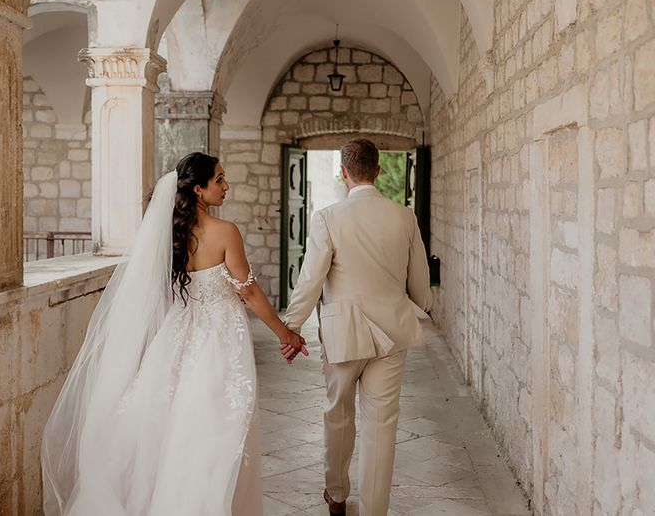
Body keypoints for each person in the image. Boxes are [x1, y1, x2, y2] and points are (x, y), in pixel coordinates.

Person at [42, 152, 307, 515]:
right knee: (218, 427)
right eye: (219, 180)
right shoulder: (225, 232)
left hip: (179, 332)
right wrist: (285, 334)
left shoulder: (170, 233)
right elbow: (248, 291)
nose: (226, 186)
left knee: (172, 425)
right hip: (220, 338)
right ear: (198, 189)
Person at [282, 138, 432, 516]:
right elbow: (419, 283)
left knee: (338, 414)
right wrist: (413, 305)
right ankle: (374, 511)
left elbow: (310, 278)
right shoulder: (404, 216)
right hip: (393, 332)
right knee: (382, 425)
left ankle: (336, 494)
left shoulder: (328, 218)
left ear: (343, 172)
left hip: (342, 332)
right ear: (378, 171)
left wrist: (292, 326)